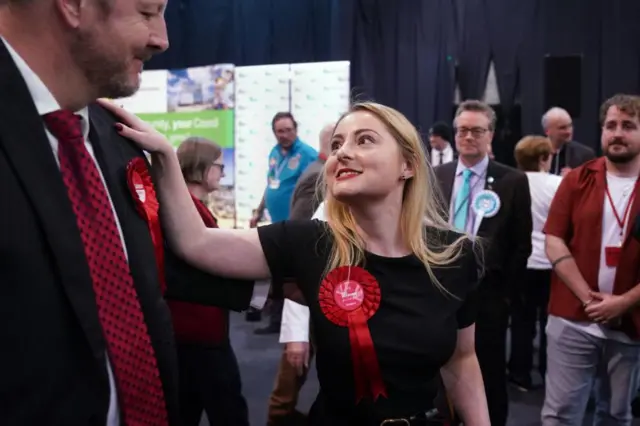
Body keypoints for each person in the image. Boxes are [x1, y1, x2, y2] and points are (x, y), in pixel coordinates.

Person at [101, 98, 491, 426]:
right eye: (337, 143)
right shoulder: (310, 241)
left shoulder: (457, 254)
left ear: (408, 165)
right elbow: (196, 243)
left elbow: (462, 360)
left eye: (364, 140)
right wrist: (167, 157)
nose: (343, 151)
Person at [0, 1, 254, 424]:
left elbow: (126, 266)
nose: (163, 39)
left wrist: (288, 274)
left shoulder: (120, 139)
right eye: (147, 11)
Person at [433, 100, 533, 426]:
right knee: (437, 371)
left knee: (488, 376)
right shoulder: (437, 177)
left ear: (490, 134)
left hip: (487, 299)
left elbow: (521, 245)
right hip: (439, 294)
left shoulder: (512, 180)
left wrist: (504, 296)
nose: (468, 137)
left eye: (477, 130)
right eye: (463, 130)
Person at [542, 94, 640, 426]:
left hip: (632, 323)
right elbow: (554, 241)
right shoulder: (577, 179)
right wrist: (589, 299)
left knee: (616, 415)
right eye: (610, 125)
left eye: (628, 126)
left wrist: (623, 302)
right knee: (560, 414)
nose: (617, 133)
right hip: (572, 319)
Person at [169, 137, 249, 426]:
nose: (223, 173)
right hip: (200, 330)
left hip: (191, 329)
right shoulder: (190, 212)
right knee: (228, 411)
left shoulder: (186, 208)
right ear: (201, 167)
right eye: (219, 166)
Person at [268, 123, 333, 425]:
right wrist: (295, 333)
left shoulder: (328, 175)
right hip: (309, 301)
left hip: (335, 300)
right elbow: (299, 251)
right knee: (287, 390)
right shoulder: (317, 179)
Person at [250, 112, 319, 335]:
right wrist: (259, 211)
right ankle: (270, 314)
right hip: (275, 225)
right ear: (274, 133)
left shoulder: (308, 155)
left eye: (289, 130)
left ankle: (283, 321)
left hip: (294, 227)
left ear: (296, 130)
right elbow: (271, 184)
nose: (285, 135)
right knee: (275, 271)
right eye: (280, 131)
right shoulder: (274, 153)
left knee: (286, 275)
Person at [508, 136, 562, 391]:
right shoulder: (557, 184)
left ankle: (520, 375)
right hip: (553, 263)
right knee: (551, 323)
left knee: (521, 321)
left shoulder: (511, 183)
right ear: (543, 158)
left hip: (522, 262)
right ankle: (549, 372)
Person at [541, 107, 596, 176]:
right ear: (547, 131)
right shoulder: (533, 153)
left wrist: (575, 178)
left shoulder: (585, 155)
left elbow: (593, 182)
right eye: (562, 128)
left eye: (570, 126)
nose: (568, 131)